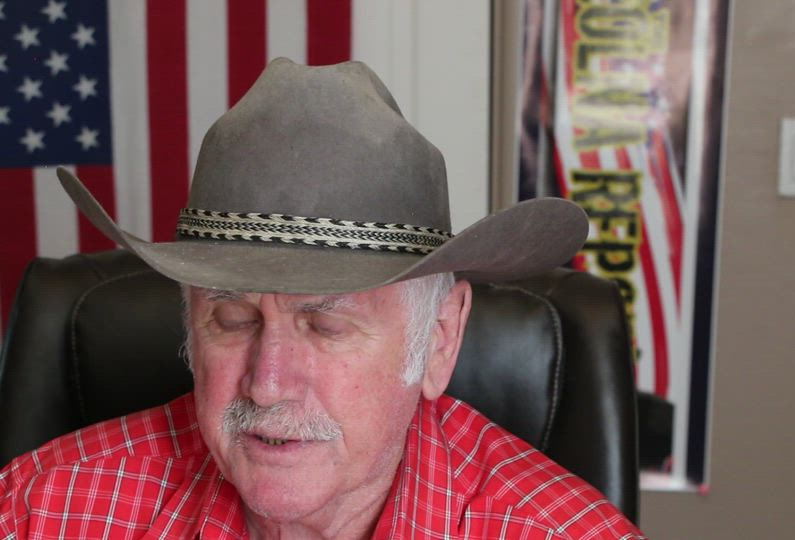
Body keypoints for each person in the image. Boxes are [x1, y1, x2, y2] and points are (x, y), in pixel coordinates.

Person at [0, 59, 645, 539]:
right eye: (232, 317)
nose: (267, 385)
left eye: (326, 324)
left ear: (440, 339)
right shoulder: (42, 509)